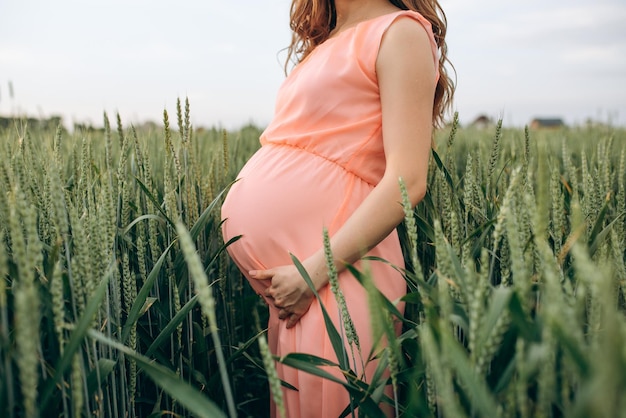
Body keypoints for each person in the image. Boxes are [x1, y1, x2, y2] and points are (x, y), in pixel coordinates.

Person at [221, 0, 454, 416]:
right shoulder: (327, 41)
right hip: (298, 287)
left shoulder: (399, 32)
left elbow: (408, 180)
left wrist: (312, 273)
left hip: (337, 275)